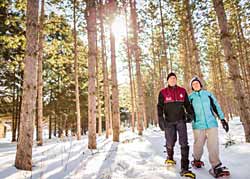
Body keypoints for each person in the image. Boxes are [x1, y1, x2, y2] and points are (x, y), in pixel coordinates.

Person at [189, 76, 230, 178]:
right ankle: (196, 159)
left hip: (211, 123)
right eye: (193, 84)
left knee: (213, 145)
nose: (195, 85)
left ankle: (216, 166)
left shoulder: (208, 94)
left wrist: (222, 119)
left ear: (200, 84)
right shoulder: (190, 97)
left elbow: (216, 106)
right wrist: (188, 117)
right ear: (192, 87)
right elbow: (187, 110)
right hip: (198, 125)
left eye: (197, 83)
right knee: (198, 145)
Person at [157, 72, 195, 179]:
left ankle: (185, 168)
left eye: (174, 78)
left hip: (181, 121)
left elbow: (187, 105)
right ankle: (170, 157)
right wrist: (160, 119)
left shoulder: (182, 91)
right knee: (170, 142)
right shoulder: (163, 92)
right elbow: (159, 107)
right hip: (168, 122)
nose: (173, 80)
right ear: (168, 80)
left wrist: (190, 113)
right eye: (171, 78)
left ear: (176, 80)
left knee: (184, 143)